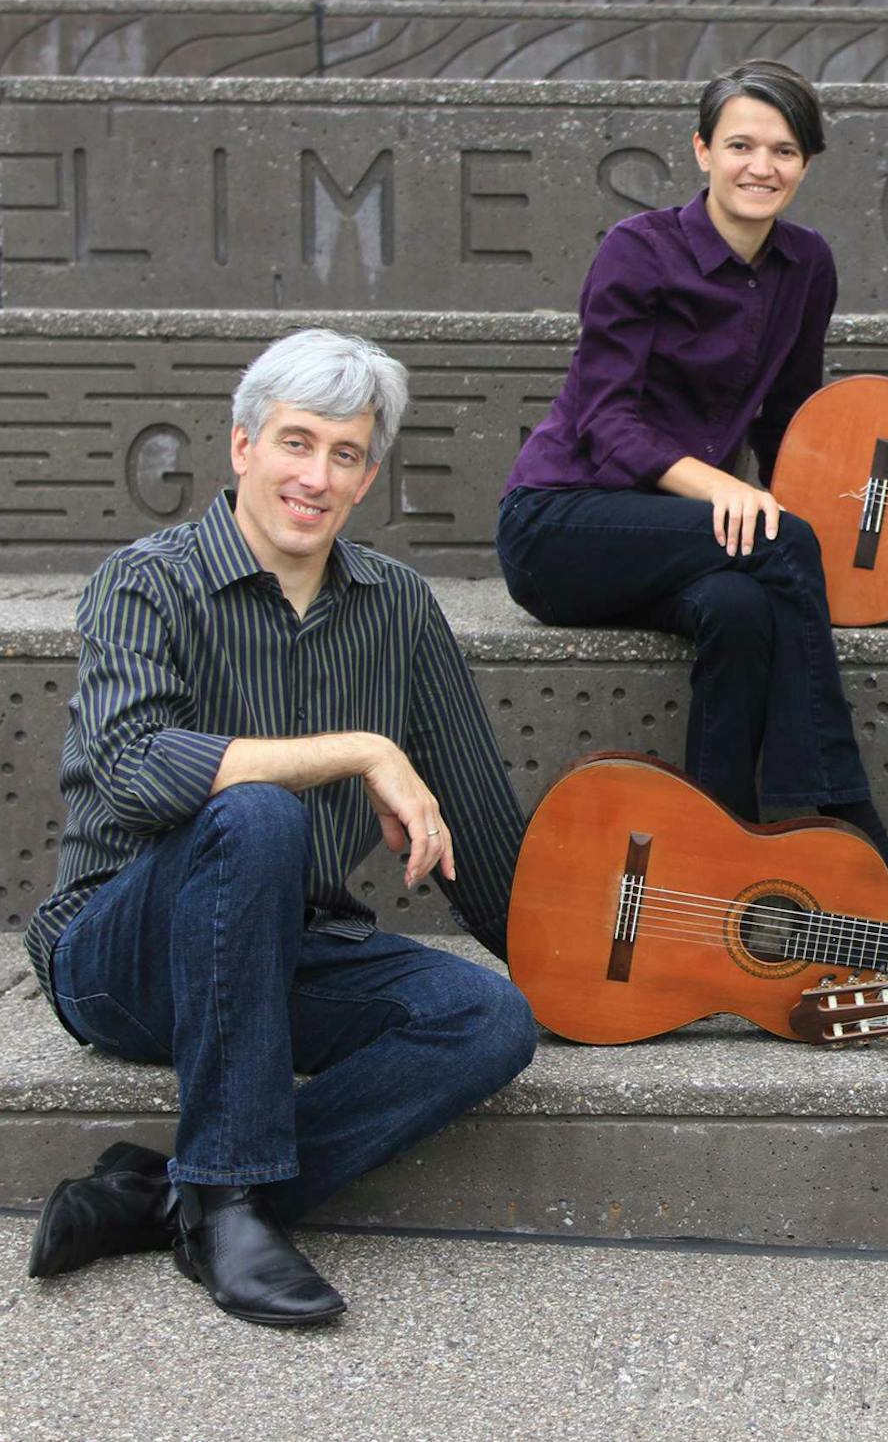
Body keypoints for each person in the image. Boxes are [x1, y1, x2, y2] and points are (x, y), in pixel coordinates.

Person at [25, 330, 538, 1325]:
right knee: (255, 812)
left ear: (369, 476)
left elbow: (476, 828)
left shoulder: (397, 606)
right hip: (119, 957)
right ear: (242, 446)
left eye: (345, 454)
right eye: (296, 442)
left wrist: (587, 979)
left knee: (487, 1017)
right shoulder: (145, 581)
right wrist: (357, 748)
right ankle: (228, 1202)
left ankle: (173, 1195)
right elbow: (135, 767)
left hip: (286, 946)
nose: (316, 476)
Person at [495, 59, 888, 934]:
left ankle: (715, 864)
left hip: (684, 533)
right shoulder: (638, 249)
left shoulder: (806, 266)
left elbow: (790, 422)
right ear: (702, 152)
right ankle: (862, 843)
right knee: (780, 547)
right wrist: (725, 488)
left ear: (808, 164)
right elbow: (606, 423)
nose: (762, 166)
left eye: (785, 150)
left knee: (739, 608)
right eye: (741, 145)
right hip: (563, 521)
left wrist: (854, 520)